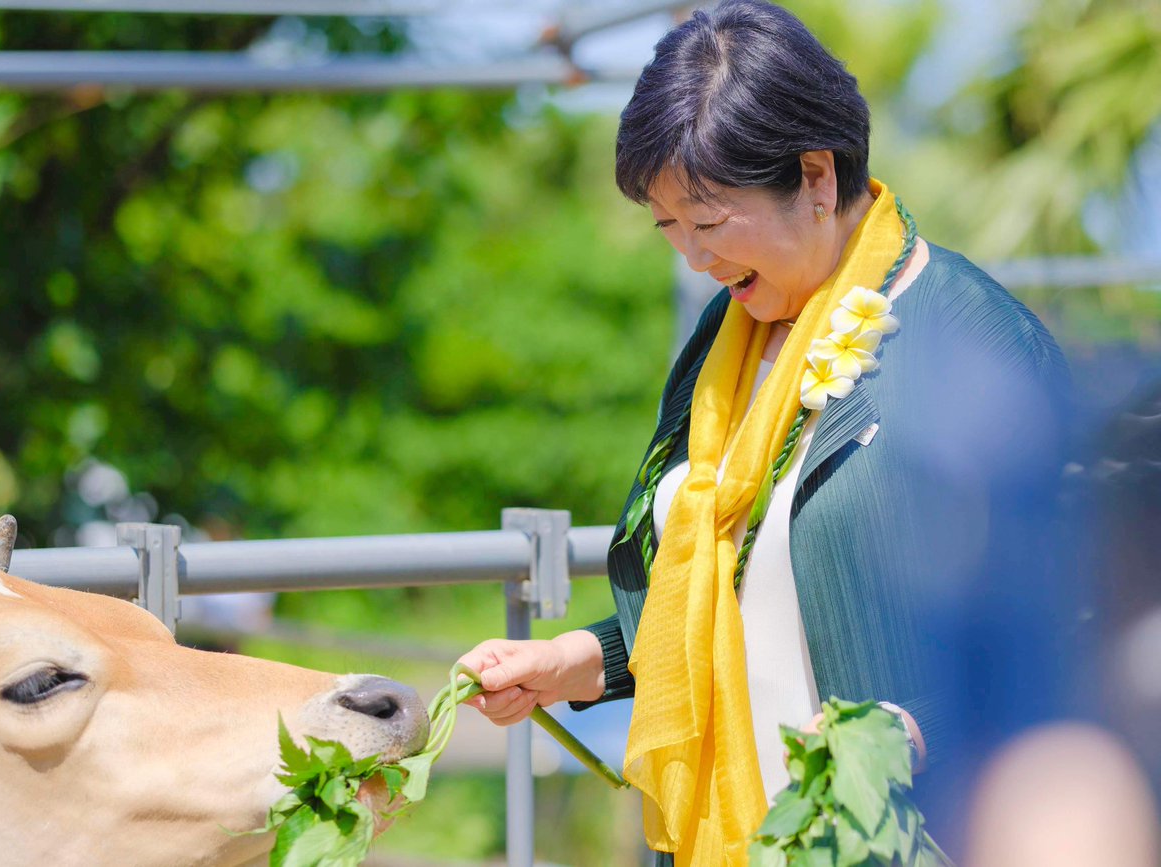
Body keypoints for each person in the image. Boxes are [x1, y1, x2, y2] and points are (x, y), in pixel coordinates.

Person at [459, 2, 1070, 864]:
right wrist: (575, 659)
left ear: (816, 178)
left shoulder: (975, 341)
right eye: (667, 225)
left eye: (707, 222)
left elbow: (1072, 624)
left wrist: (908, 727)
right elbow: (726, 591)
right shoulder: (726, 336)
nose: (692, 257)